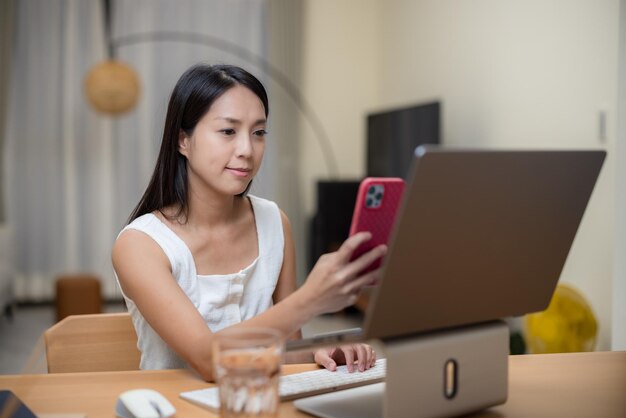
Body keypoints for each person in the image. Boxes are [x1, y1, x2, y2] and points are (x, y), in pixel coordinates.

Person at [112, 64, 386, 381]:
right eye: (228, 131)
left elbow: (288, 348)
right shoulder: (140, 245)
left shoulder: (273, 222)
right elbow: (208, 360)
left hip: (261, 404)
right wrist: (310, 299)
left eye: (258, 133)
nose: (247, 150)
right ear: (182, 141)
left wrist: (318, 353)